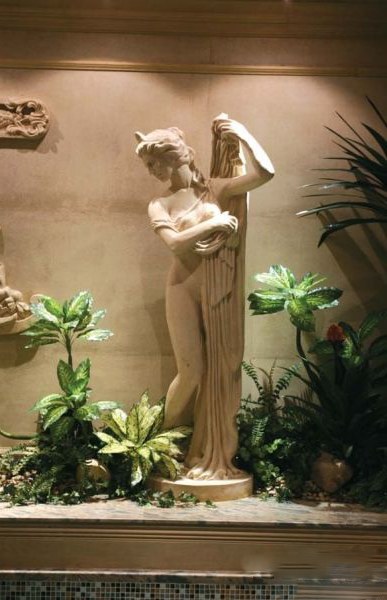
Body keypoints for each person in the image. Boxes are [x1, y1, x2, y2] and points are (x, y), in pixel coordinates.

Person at [135, 115, 274, 480]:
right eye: (148, 165)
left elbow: (265, 174)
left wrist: (243, 134)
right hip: (182, 288)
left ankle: (206, 447)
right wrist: (214, 223)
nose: (151, 171)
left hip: (218, 286)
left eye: (154, 162)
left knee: (219, 368)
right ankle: (162, 445)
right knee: (191, 372)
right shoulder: (159, 204)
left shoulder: (217, 188)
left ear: (174, 156)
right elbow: (175, 243)